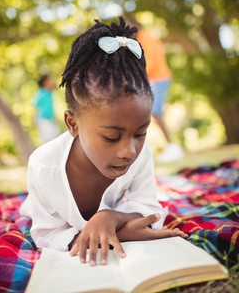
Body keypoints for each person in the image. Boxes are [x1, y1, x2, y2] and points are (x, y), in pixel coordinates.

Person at [20, 17, 188, 267]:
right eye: (111, 137)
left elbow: (150, 209)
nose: (129, 151)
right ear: (72, 124)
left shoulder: (141, 153)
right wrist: (120, 231)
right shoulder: (44, 167)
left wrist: (110, 217)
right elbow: (46, 235)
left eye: (141, 133)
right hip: (37, 208)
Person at [136, 28, 184, 163]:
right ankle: (170, 146)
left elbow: (149, 59)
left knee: (155, 111)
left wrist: (140, 77)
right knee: (150, 113)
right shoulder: (147, 36)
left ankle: (173, 147)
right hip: (157, 78)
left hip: (158, 78)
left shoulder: (144, 37)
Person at [32, 74, 60, 143]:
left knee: (56, 136)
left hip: (51, 119)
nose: (52, 81)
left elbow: (56, 87)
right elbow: (35, 107)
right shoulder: (40, 93)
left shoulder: (50, 93)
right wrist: (34, 119)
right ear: (45, 82)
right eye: (50, 80)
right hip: (43, 119)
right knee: (48, 139)